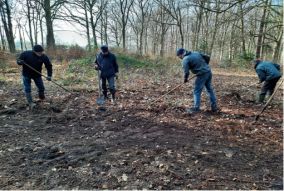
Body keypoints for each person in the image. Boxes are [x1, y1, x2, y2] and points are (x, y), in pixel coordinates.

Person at [176, 48, 218, 114]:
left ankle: (196, 108)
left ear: (181, 54)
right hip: (208, 72)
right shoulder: (195, 53)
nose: (179, 58)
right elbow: (207, 57)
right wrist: (205, 66)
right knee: (209, 90)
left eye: (179, 56)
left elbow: (186, 72)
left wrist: (185, 79)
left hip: (202, 75)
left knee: (196, 91)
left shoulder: (185, 59)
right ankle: (214, 107)